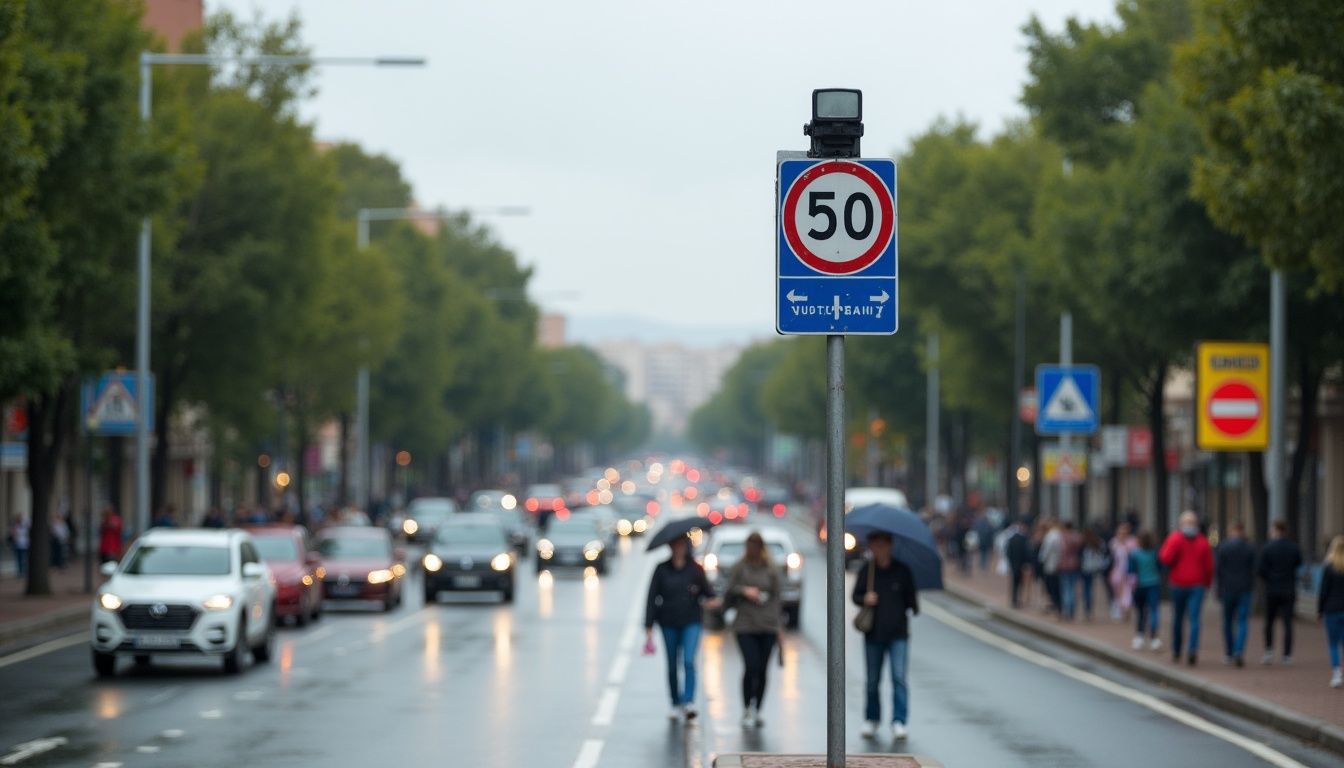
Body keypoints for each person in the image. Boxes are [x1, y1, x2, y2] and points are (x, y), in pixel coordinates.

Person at [853, 531, 919, 742]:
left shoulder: (902, 571)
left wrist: (902, 604)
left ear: (889, 545)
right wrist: (866, 598)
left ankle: (899, 720)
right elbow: (855, 595)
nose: (878, 549)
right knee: (872, 680)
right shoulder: (867, 571)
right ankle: (872, 719)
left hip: (898, 634)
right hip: (873, 634)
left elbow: (913, 602)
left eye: (881, 544)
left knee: (898, 678)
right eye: (874, 544)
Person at [645, 535, 718, 721]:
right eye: (675, 545)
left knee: (688, 660)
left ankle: (689, 701)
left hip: (691, 621)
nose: (679, 548)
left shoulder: (695, 569)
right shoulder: (662, 569)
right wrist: (649, 626)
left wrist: (710, 601)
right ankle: (675, 702)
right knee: (671, 664)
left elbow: (709, 593)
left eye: (682, 545)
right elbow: (652, 598)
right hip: (668, 622)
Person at [724, 531, 782, 728]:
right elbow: (729, 591)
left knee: (764, 669)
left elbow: (777, 597)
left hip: (767, 625)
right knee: (751, 666)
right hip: (745, 624)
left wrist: (777, 625)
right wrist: (744, 591)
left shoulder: (771, 569)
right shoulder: (740, 567)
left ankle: (758, 709)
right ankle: (747, 706)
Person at [1159, 511, 1214, 665]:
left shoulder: (1179, 538)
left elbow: (1164, 558)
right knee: (1192, 619)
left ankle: (1181, 650)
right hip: (1193, 585)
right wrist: (1207, 584)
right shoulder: (1199, 541)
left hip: (1183, 585)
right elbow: (1209, 568)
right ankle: (1189, 649)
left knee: (1180, 618)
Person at [1258, 519, 1303, 665]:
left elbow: (1261, 570)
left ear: (1275, 530)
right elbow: (1298, 564)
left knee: (1269, 622)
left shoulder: (1267, 548)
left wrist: (1270, 578)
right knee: (1288, 623)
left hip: (1272, 590)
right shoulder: (1293, 547)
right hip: (1288, 589)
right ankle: (1287, 655)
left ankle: (1269, 650)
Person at [1215, 521, 1256, 667]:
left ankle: (1229, 652)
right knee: (1242, 621)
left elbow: (1218, 570)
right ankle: (1239, 650)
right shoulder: (1249, 548)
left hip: (1228, 589)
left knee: (1227, 621)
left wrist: (1218, 590)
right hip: (1244, 589)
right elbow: (1253, 570)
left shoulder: (1224, 547)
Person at [1316, 535, 1344, 688]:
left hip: (1332, 609)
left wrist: (1320, 611)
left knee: (1333, 644)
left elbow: (1323, 591)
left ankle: (1337, 673)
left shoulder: (1328, 567)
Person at [1130, 531, 1162, 651]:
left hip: (1139, 586)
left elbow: (1131, 570)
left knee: (1141, 612)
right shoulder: (1155, 553)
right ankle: (1154, 637)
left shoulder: (1135, 554)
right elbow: (1160, 568)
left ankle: (1140, 636)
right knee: (1154, 611)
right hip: (1153, 584)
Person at [1109, 522, 1138, 621]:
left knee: (1128, 591)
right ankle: (1119, 608)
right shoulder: (1114, 542)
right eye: (1121, 532)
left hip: (1129, 571)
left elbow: (1135, 554)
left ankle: (1127, 609)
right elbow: (1112, 556)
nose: (1123, 534)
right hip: (1118, 571)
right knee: (1117, 592)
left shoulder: (1132, 542)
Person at [1080, 528, 1110, 621]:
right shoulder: (1098, 542)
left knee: (1086, 588)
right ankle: (1089, 608)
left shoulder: (1083, 542)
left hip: (1085, 568)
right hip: (1095, 568)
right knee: (1091, 589)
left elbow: (1079, 555)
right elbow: (1105, 553)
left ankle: (1087, 608)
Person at [1058, 521, 1082, 620]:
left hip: (1064, 565)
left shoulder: (1062, 538)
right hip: (1075, 564)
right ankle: (1072, 610)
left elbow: (1059, 551)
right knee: (1072, 588)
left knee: (1066, 588)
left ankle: (1067, 610)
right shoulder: (1077, 537)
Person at [1005, 521, 1031, 609]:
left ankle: (1014, 599)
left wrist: (1010, 562)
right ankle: (1017, 599)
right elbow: (1027, 552)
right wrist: (1027, 563)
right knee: (1020, 583)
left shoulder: (1012, 538)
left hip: (1014, 564)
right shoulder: (1024, 539)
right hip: (1021, 565)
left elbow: (1008, 552)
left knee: (1014, 583)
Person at [1039, 520, 1063, 615]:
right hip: (1061, 565)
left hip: (1051, 565)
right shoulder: (1060, 534)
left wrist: (1041, 560)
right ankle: (1060, 605)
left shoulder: (1051, 536)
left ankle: (1057, 604)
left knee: (1052, 586)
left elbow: (1045, 552)